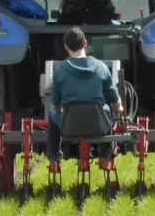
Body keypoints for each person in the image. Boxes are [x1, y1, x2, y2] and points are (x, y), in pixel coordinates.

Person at [47, 27, 124, 162]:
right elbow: (113, 97)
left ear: (66, 47)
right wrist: (119, 108)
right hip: (99, 125)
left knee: (52, 113)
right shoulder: (101, 67)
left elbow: (56, 105)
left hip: (69, 126)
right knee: (109, 108)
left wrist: (59, 110)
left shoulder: (60, 70)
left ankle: (54, 153)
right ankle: (106, 150)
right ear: (85, 44)